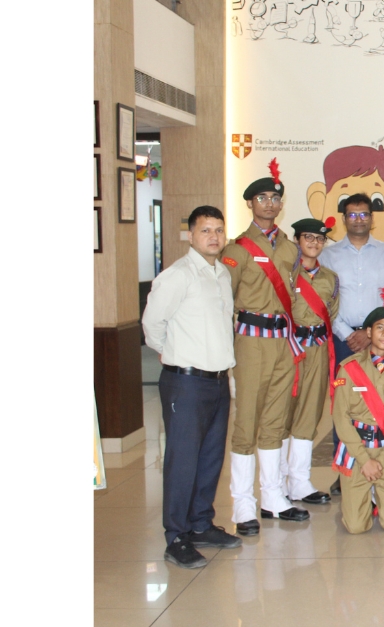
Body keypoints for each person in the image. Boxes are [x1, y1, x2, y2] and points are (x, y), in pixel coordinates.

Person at [143, 206, 242, 568]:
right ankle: (176, 536)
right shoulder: (177, 276)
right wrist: (171, 353)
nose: (213, 237)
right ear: (190, 235)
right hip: (185, 382)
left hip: (217, 380)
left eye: (218, 230)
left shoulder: (221, 274)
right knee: (182, 461)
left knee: (210, 458)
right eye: (205, 230)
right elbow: (152, 325)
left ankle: (200, 523)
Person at [221, 160, 309, 535]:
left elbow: (293, 293)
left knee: (275, 420)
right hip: (251, 342)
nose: (270, 204)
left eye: (275, 198)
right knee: (247, 421)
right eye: (262, 198)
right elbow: (223, 301)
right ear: (250, 203)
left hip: (282, 343)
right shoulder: (237, 249)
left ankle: (273, 496)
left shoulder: (289, 247)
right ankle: (243, 502)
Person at [319, 192, 384, 496]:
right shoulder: (328, 256)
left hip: (378, 339)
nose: (358, 220)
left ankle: (380, 466)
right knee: (345, 405)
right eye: (352, 215)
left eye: (363, 214)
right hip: (342, 341)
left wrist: (371, 333)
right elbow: (325, 301)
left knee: (380, 404)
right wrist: (346, 333)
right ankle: (345, 471)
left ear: (371, 218)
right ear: (344, 219)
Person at [330, 292, 384, 534]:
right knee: (356, 527)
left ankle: (379, 496)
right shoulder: (348, 369)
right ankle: (363, 495)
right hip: (356, 451)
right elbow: (340, 418)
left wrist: (381, 461)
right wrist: (365, 460)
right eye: (380, 328)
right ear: (368, 332)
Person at [281, 217, 339, 505]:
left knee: (310, 413)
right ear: (296, 240)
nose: (314, 243)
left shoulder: (330, 278)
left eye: (320, 239)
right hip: (288, 349)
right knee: (281, 413)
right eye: (308, 237)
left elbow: (331, 313)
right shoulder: (286, 274)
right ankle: (278, 482)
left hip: (317, 348)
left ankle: (300, 482)